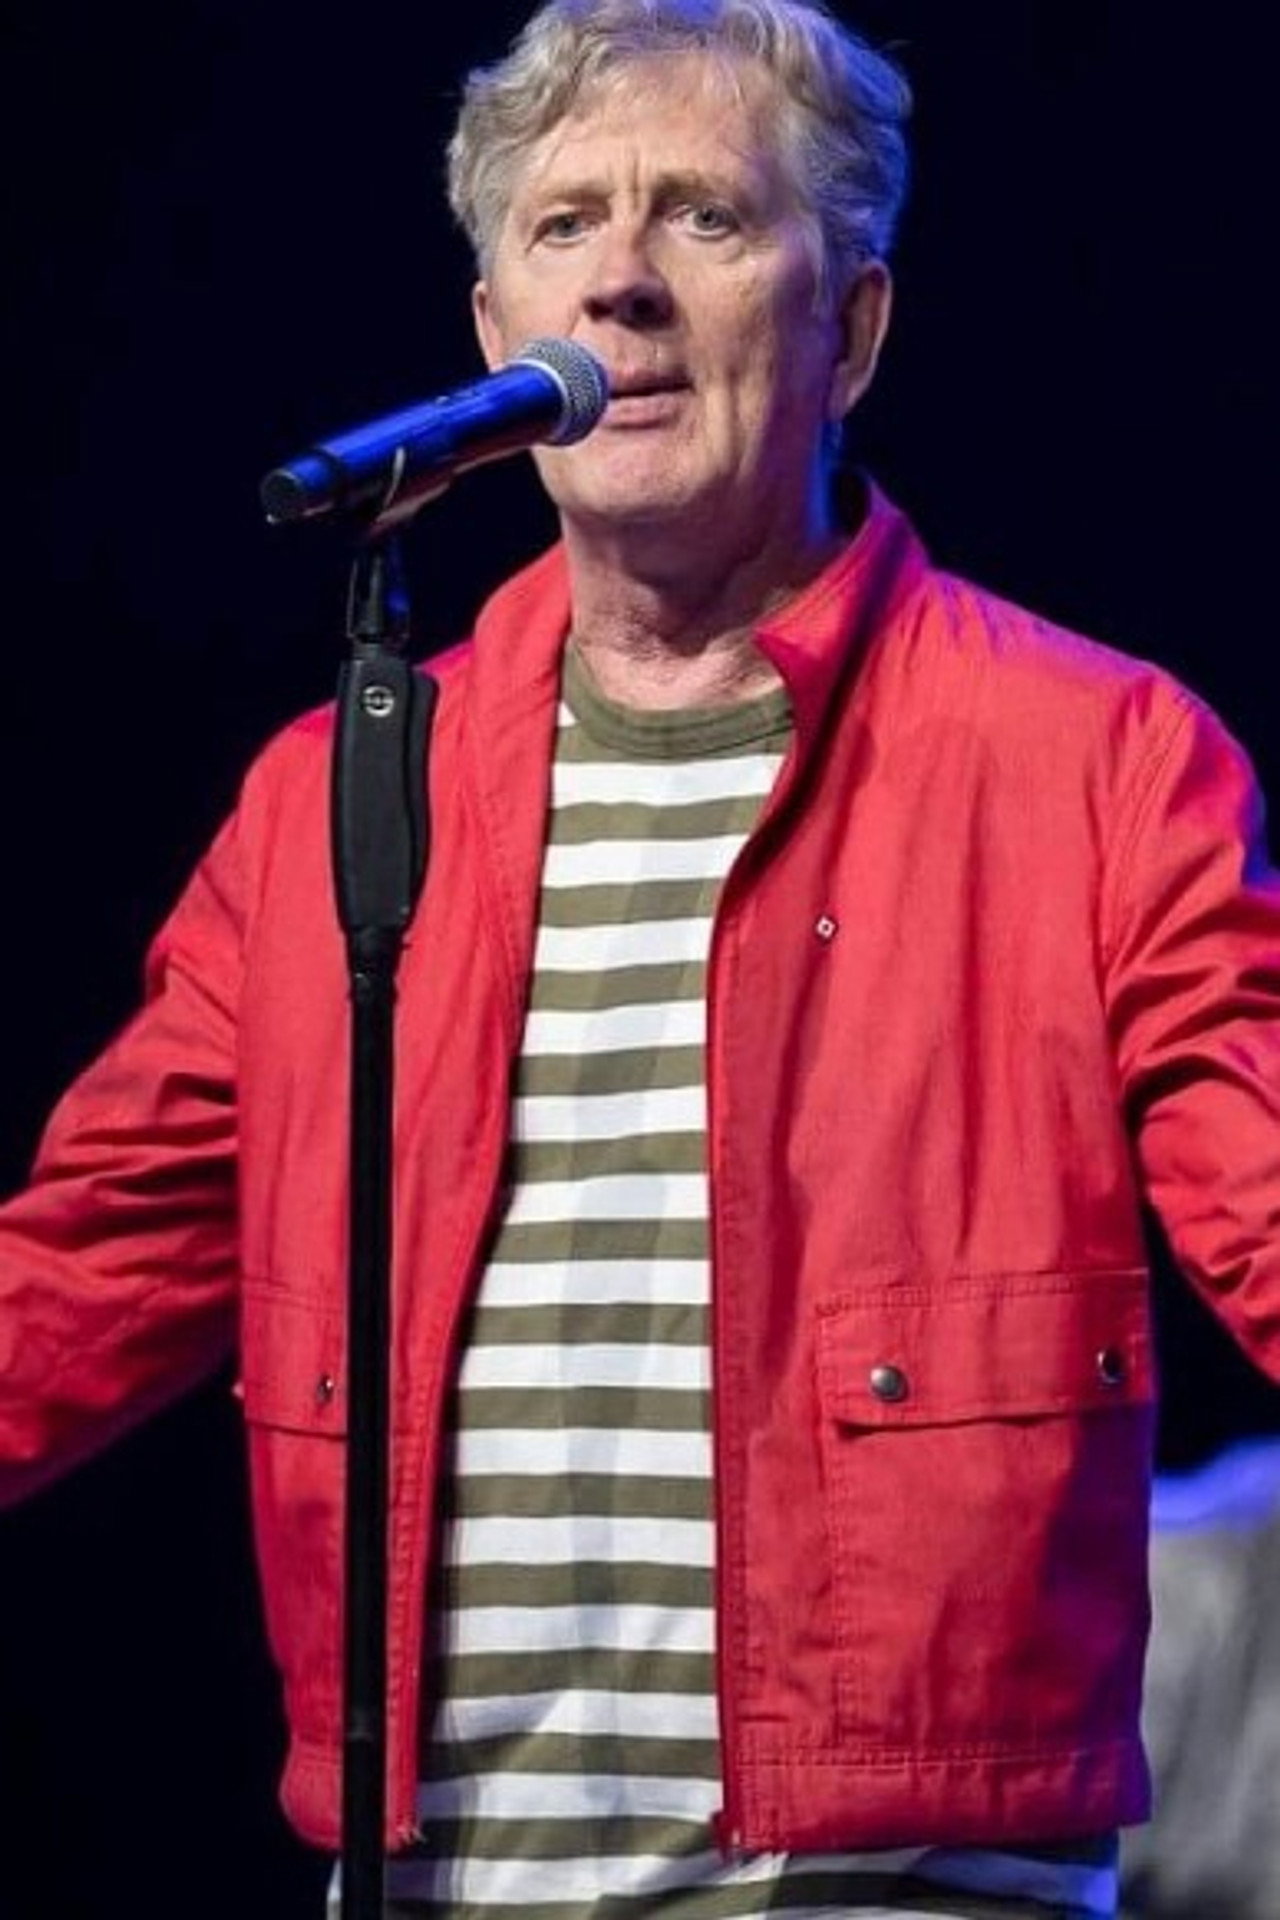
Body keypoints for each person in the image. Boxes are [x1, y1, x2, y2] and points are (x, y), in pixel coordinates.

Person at [1, 2, 1278, 1916]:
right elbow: (74, 1274)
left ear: (852, 329)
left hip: (886, 1890)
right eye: (565, 224)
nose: (621, 282)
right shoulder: (336, 800)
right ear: (493, 331)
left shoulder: (1095, 768)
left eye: (703, 215)